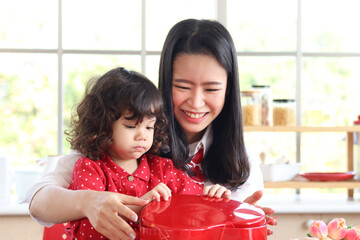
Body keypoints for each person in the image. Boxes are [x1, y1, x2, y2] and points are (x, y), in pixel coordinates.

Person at [25, 19, 276, 240]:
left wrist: (241, 215)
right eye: (183, 86)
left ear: (229, 90)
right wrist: (87, 201)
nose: (197, 102)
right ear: (165, 83)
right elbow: (39, 200)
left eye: (211, 89)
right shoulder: (125, 141)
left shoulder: (239, 160)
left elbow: (207, 209)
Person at [64, 67, 231, 239]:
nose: (142, 135)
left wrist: (213, 196)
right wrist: (141, 207)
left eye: (149, 126)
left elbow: (195, 203)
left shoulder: (162, 169)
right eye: (131, 126)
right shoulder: (90, 169)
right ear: (103, 126)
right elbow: (86, 232)